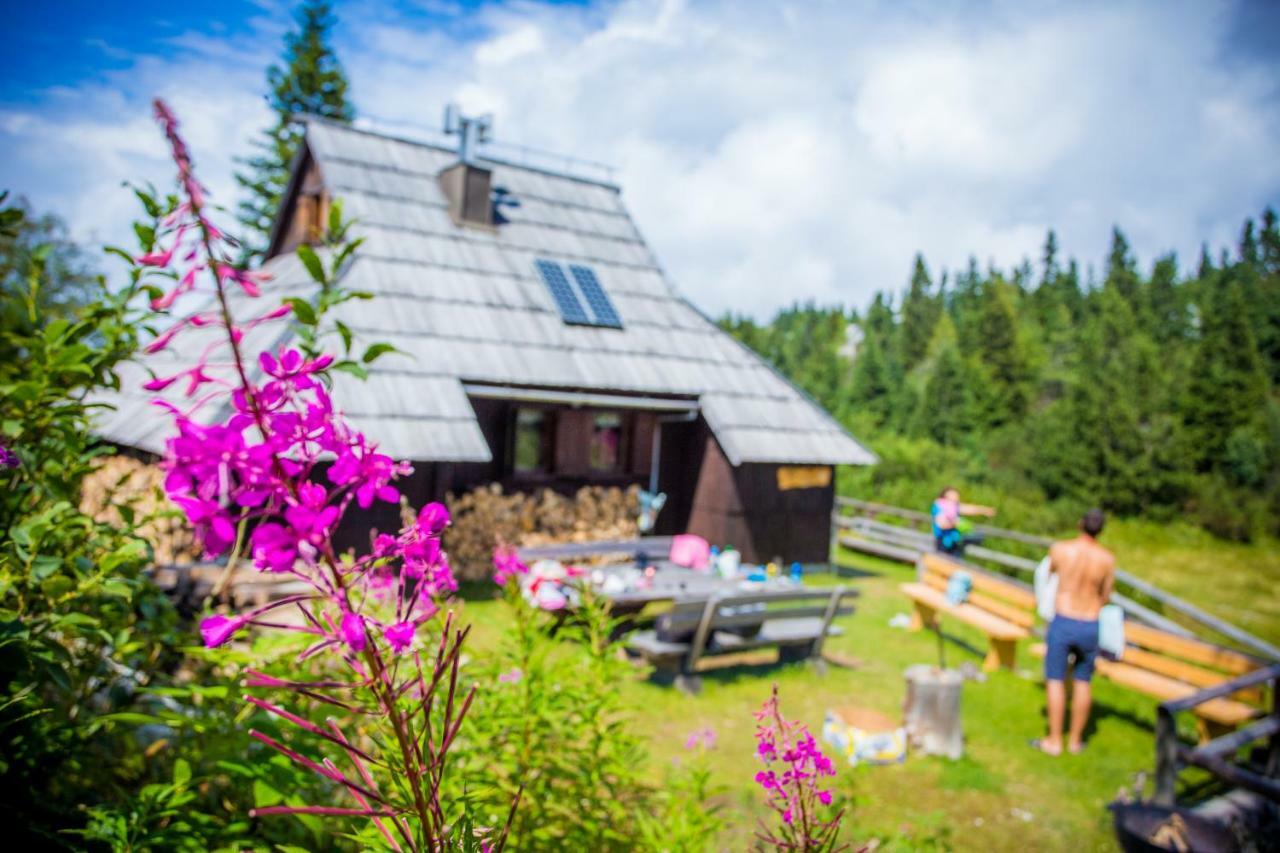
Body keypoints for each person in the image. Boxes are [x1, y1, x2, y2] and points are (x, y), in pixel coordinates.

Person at [1033, 508, 1115, 756]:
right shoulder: (1107, 559)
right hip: (1089, 622)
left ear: (1080, 524)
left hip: (1064, 620)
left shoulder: (1061, 549)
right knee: (1083, 681)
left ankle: (1054, 740)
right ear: (1100, 530)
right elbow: (1106, 595)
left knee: (1056, 680)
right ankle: (1076, 741)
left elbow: (1048, 577)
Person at [930, 486, 996, 556]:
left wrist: (984, 510)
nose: (957, 497)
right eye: (954, 495)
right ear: (946, 496)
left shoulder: (954, 506)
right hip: (943, 543)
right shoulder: (939, 506)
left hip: (955, 541)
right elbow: (941, 524)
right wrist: (957, 523)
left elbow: (970, 509)